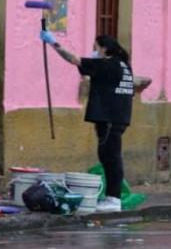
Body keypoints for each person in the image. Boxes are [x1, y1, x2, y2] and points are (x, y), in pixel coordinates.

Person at [40, 31, 133, 213]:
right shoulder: (122, 65)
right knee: (109, 157)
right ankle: (112, 197)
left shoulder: (108, 64)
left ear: (104, 49)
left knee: (110, 158)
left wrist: (54, 44)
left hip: (109, 119)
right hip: (118, 118)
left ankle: (114, 199)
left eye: (95, 48)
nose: (93, 51)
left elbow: (74, 60)